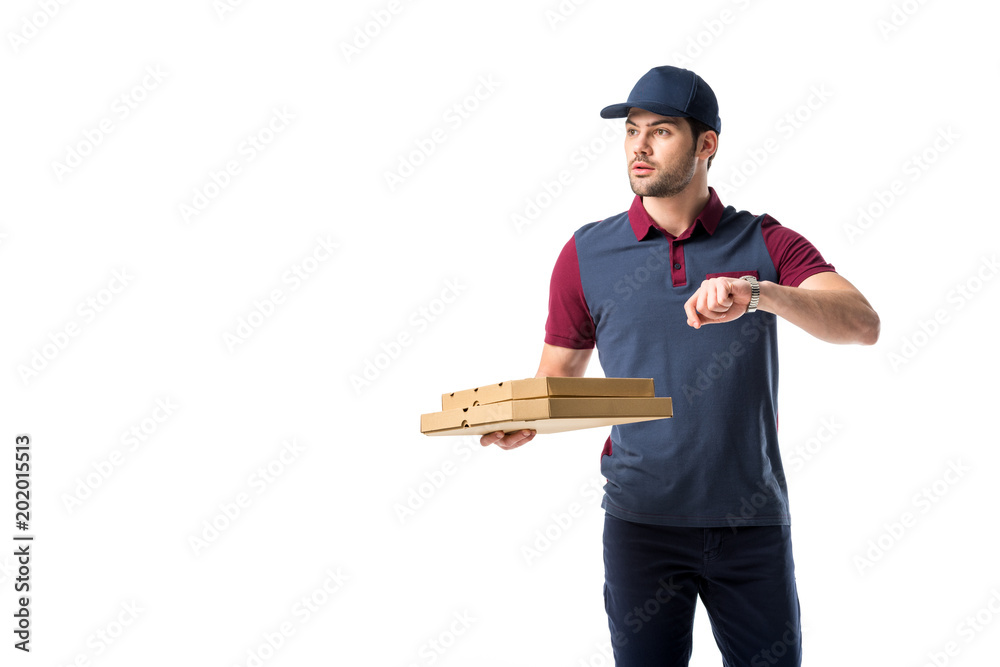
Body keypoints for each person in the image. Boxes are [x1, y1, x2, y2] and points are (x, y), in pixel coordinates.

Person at [480, 65, 879, 666]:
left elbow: (861, 323)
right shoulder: (586, 252)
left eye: (660, 131)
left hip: (751, 522)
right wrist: (527, 418)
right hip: (641, 523)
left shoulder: (765, 243)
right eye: (632, 130)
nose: (638, 146)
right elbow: (557, 378)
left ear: (706, 145)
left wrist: (759, 293)